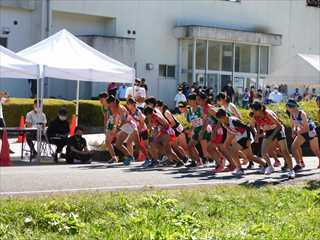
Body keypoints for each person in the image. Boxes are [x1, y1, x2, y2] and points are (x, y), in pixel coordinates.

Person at [250, 101, 295, 179]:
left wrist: (272, 137)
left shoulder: (268, 114)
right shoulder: (255, 116)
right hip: (268, 131)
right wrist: (257, 133)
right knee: (263, 152)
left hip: (278, 129)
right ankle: (270, 166)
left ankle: (291, 171)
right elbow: (253, 125)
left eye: (255, 110)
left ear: (260, 109)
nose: (253, 112)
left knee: (285, 151)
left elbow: (279, 126)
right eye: (252, 110)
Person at [215, 108, 267, 177]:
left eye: (219, 118)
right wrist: (226, 142)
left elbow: (247, 128)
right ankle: (265, 165)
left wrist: (248, 140)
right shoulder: (224, 123)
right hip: (240, 138)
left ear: (223, 117)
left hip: (245, 138)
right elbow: (229, 131)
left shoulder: (234, 121)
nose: (219, 120)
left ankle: (239, 169)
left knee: (233, 151)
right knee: (249, 156)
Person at [286, 99, 320, 170]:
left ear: (292, 107)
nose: (287, 109)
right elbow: (293, 125)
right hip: (302, 132)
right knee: (293, 147)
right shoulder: (292, 115)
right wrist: (293, 132)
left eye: (288, 107)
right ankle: (299, 164)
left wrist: (298, 132)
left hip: (310, 131)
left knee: (315, 149)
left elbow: (307, 128)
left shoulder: (302, 113)